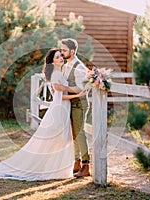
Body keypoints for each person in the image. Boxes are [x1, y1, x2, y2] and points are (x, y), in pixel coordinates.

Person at [0, 48, 86, 181]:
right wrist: (78, 94)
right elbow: (60, 97)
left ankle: (56, 167)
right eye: (58, 57)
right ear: (52, 62)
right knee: (55, 140)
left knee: (59, 140)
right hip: (59, 110)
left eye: (61, 56)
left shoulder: (59, 73)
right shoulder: (56, 74)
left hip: (63, 110)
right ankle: (50, 168)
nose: (61, 58)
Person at [53, 38, 90, 177]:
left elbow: (80, 88)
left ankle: (86, 165)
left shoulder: (79, 67)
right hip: (71, 103)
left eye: (64, 50)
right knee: (73, 134)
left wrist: (64, 88)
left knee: (80, 133)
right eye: (61, 50)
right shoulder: (66, 65)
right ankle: (76, 162)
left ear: (73, 51)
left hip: (79, 104)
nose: (62, 53)